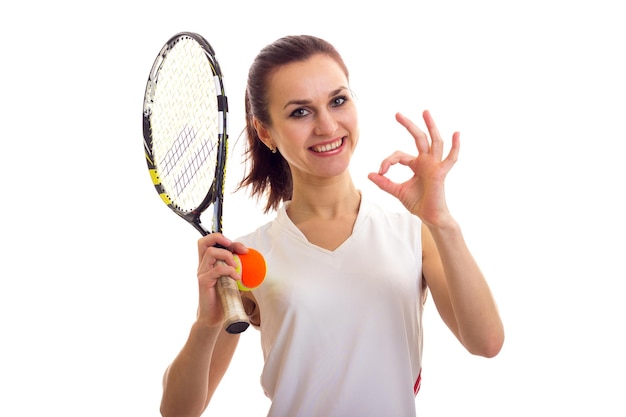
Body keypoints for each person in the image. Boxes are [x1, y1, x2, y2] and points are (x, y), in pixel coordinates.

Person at [159, 35, 504, 417]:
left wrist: (443, 223)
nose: (327, 125)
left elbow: (486, 342)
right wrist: (206, 323)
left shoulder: (414, 234)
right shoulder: (247, 257)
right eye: (300, 112)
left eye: (338, 101)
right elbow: (178, 412)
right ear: (265, 131)